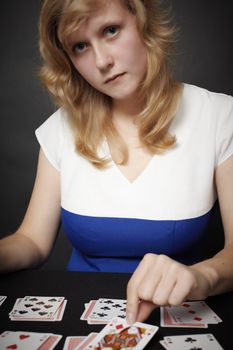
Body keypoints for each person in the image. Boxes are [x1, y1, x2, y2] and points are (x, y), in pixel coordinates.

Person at [0, 0, 233, 325]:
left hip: (178, 316)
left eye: (110, 30)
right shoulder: (60, 128)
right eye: (80, 46)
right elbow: (32, 242)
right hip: (77, 319)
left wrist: (201, 276)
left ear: (143, 20)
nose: (102, 61)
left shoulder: (220, 116)